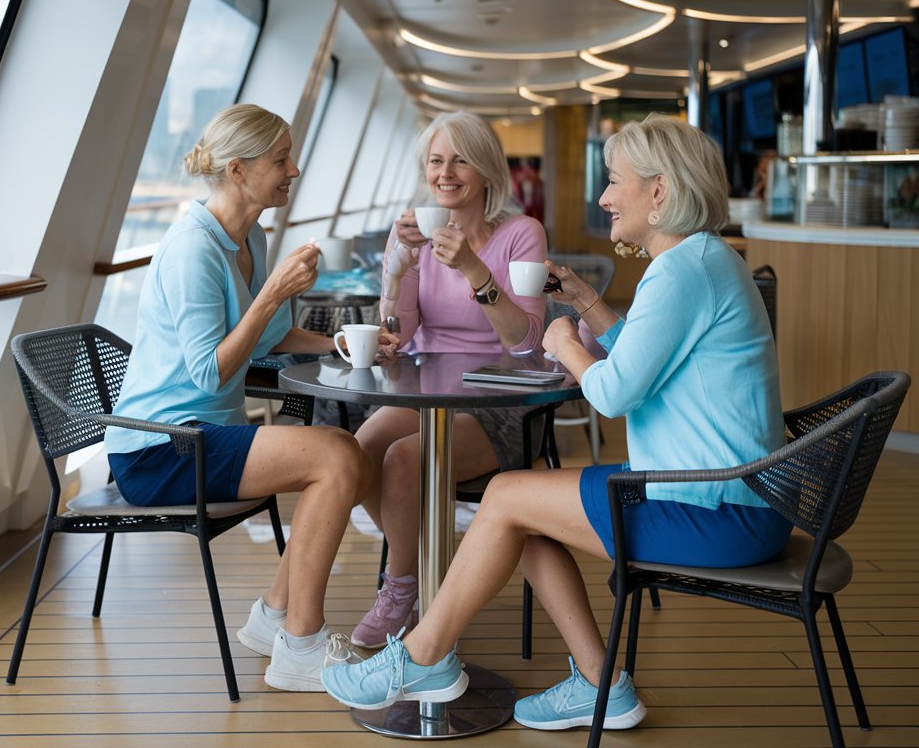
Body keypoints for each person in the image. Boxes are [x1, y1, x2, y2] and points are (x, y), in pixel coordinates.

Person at [323, 114, 791, 731]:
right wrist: (589, 305)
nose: (602, 197)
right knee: (523, 511)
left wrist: (562, 340)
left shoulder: (681, 270)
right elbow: (640, 357)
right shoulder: (702, 260)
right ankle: (603, 686)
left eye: (613, 181)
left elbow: (614, 393)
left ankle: (421, 657)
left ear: (658, 193)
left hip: (711, 507)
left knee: (507, 496)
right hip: (722, 492)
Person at [105, 104, 377, 692]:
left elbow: (271, 336)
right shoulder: (193, 250)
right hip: (160, 449)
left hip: (202, 438)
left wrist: (342, 344)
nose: (294, 170)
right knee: (336, 455)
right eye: (281, 160)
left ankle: (271, 619)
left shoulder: (244, 235)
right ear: (237, 170)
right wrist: (273, 292)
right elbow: (210, 371)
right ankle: (300, 646)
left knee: (340, 451)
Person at [350, 110, 549, 649]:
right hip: (425, 390)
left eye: (461, 159)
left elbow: (526, 343)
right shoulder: (417, 231)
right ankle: (415, 569)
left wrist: (472, 268)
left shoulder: (519, 234)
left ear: (486, 169)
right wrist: (396, 273)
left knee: (403, 460)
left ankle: (399, 584)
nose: (447, 172)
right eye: (437, 160)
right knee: (356, 454)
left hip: (500, 400)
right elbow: (401, 330)